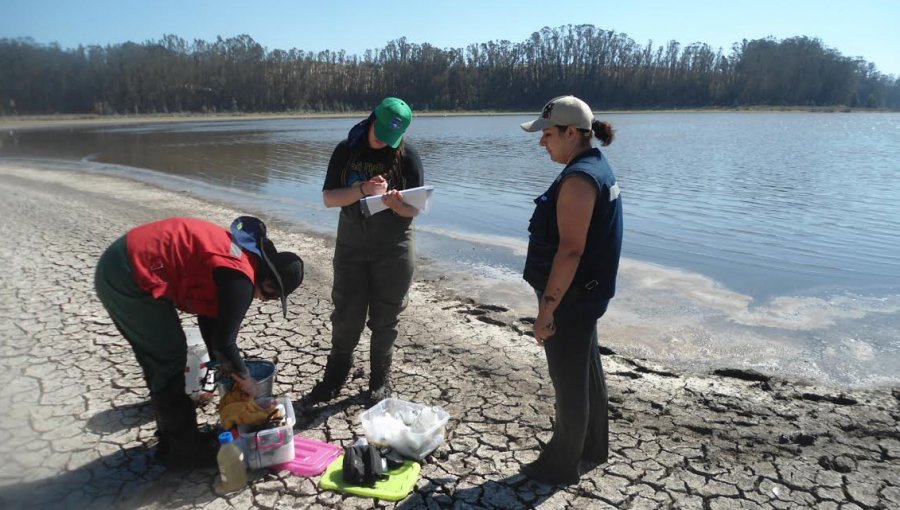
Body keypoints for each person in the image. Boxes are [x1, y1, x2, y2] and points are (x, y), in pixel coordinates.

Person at [94, 215, 304, 470]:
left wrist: (222, 367)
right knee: (168, 357)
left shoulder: (242, 262)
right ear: (269, 283)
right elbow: (225, 342)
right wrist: (246, 379)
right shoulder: (240, 278)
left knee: (162, 358)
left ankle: (173, 440)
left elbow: (210, 321)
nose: (265, 301)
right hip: (130, 273)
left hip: (123, 262)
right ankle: (185, 452)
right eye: (272, 298)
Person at [518, 95, 623, 485]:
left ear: (572, 132)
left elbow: (571, 250)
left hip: (571, 296)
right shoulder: (592, 167)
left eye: (547, 134)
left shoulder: (580, 179)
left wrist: (547, 310)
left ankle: (561, 463)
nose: (542, 141)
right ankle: (593, 446)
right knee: (586, 370)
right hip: (586, 294)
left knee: (568, 380)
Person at [303, 97, 424, 406]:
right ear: (372, 119)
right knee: (347, 314)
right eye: (380, 132)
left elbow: (416, 208)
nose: (383, 140)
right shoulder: (347, 150)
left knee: (387, 316)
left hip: (394, 246)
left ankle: (379, 380)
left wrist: (399, 204)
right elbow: (329, 199)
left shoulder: (408, 156)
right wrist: (363, 190)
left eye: (391, 136)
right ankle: (335, 376)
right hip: (352, 244)